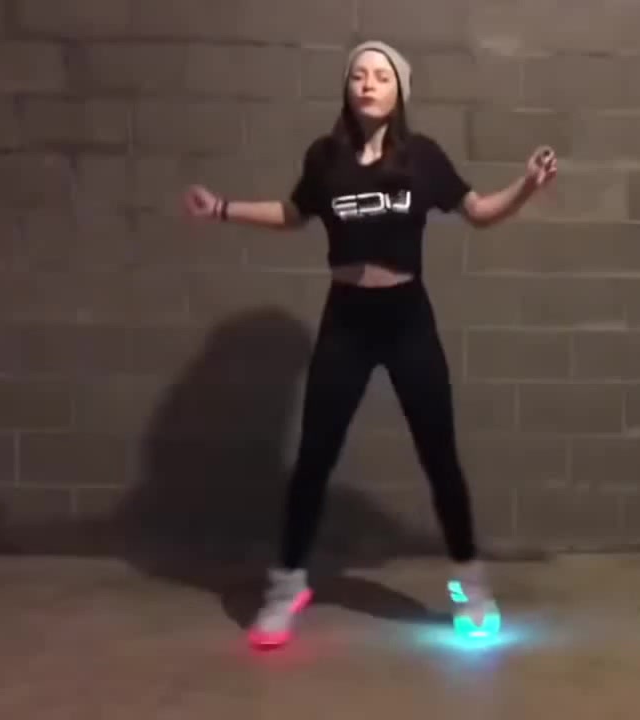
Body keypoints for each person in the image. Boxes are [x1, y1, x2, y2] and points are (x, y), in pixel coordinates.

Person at [181, 40, 558, 650]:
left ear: (399, 90)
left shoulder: (423, 157)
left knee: (439, 457)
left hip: (407, 318)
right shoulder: (325, 157)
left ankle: (471, 590)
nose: (368, 83)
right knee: (314, 458)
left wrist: (526, 186)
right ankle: (285, 588)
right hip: (347, 321)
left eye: (381, 75)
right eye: (359, 75)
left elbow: (480, 211)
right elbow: (292, 213)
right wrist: (222, 209)